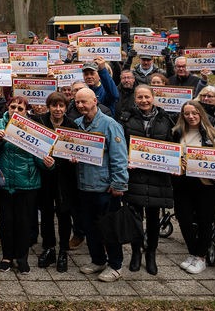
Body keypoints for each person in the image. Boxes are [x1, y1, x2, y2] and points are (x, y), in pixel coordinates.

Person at [0, 96, 54, 273]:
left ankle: (22, 257)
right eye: (13, 107)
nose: (16, 111)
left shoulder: (34, 129)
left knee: (24, 223)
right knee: (6, 221)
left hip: (27, 183)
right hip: (3, 182)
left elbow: (40, 158)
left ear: (27, 111)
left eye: (20, 109)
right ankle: (7, 256)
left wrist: (48, 163)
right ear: (7, 107)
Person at [72, 87, 129, 283]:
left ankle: (116, 265)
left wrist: (119, 184)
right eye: (77, 102)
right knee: (90, 228)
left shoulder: (109, 125)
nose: (80, 106)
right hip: (84, 185)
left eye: (84, 102)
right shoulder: (78, 124)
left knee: (109, 229)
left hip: (105, 187)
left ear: (95, 101)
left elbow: (119, 157)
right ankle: (98, 260)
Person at [117, 84, 174, 275]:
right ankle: (136, 252)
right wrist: (126, 159)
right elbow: (121, 145)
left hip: (157, 177)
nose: (144, 101)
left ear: (153, 97)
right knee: (134, 218)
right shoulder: (126, 118)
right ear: (135, 99)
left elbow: (172, 145)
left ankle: (151, 254)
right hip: (134, 176)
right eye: (140, 97)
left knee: (153, 219)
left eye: (147, 97)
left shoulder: (166, 119)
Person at [171, 100, 215, 275]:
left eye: (194, 113)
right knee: (184, 219)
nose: (191, 117)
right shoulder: (176, 133)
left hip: (206, 184)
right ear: (182, 116)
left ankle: (200, 257)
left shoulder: (212, 135)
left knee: (204, 220)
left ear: (201, 113)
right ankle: (193, 252)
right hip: (182, 183)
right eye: (187, 114)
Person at [34, 91, 78, 272]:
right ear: (49, 107)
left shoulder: (72, 125)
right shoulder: (40, 122)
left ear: (66, 108)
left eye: (61, 106)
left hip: (65, 178)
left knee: (64, 213)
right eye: (54, 105)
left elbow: (79, 148)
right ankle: (49, 247)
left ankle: (63, 251)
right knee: (45, 213)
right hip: (45, 175)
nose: (58, 109)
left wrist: (75, 158)